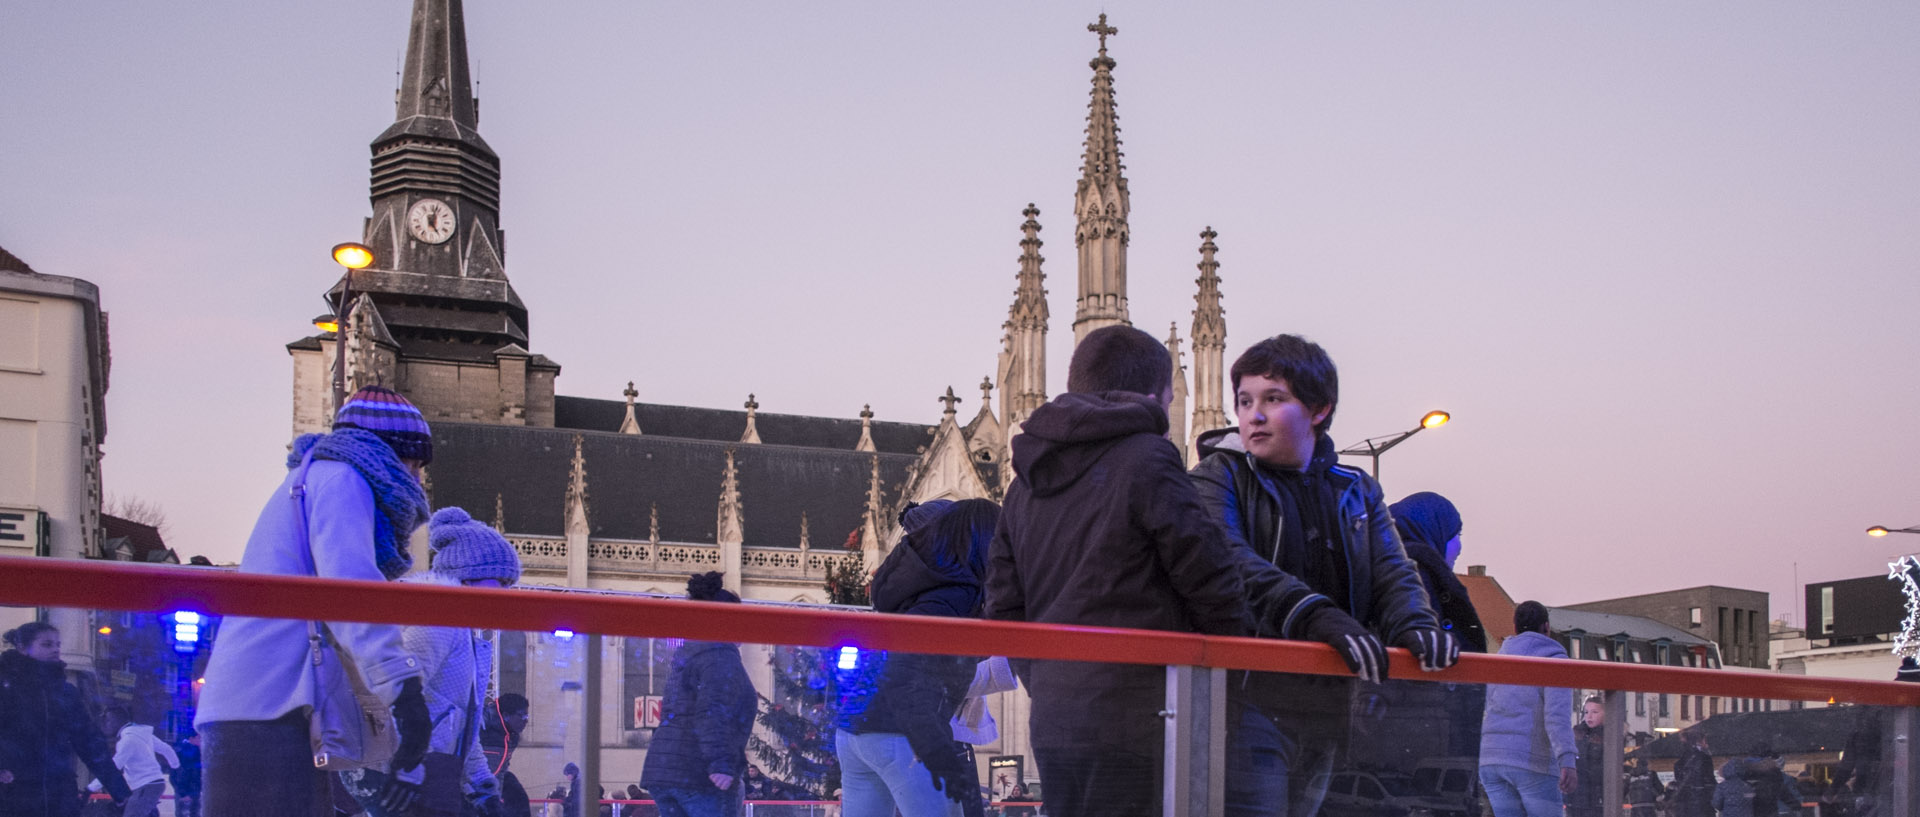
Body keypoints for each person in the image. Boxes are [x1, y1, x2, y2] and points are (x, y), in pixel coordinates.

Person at [984, 325, 1252, 817]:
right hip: (1140, 714)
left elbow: (1002, 605)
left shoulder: (1025, 481)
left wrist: (1049, 680)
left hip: (1056, 720)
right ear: (1154, 395)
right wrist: (1230, 676)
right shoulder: (1147, 458)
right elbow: (1211, 578)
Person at [1189, 334, 1457, 817]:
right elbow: (1228, 560)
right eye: (1245, 401)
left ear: (1318, 410)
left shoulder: (1356, 490)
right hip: (1247, 708)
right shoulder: (1219, 475)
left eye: (1274, 399)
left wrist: (1417, 625)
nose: (1254, 415)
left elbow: (1393, 572)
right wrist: (1315, 614)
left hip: (1329, 711)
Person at [195, 385, 434, 817]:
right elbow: (350, 591)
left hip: (260, 704)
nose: (416, 480)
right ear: (386, 451)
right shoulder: (344, 479)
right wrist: (404, 690)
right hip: (270, 707)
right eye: (413, 463)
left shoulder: (311, 477)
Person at [339, 507, 521, 817]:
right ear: (467, 578)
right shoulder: (439, 624)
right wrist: (405, 767)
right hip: (405, 771)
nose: (505, 592)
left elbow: (462, 727)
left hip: (426, 770)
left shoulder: (463, 633)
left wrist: (483, 789)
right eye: (499, 581)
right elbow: (391, 691)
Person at [836, 499, 998, 817]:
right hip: (901, 735)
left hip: (856, 727)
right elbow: (905, 668)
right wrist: (934, 746)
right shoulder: (955, 595)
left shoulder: (920, 584)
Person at [639, 572, 757, 817]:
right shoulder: (719, 656)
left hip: (666, 769)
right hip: (699, 776)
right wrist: (721, 763)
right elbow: (712, 710)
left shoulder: (690, 653)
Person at [0, 622, 132, 817]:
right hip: (15, 792)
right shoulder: (6, 688)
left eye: (58, 644)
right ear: (22, 648)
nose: (56, 650)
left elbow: (90, 743)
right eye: (47, 644)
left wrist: (120, 792)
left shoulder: (65, 692)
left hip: (58, 794)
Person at [1477, 601, 1577, 817]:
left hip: (1491, 758)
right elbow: (1556, 717)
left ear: (1515, 628)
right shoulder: (1554, 662)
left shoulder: (1499, 661)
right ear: (1546, 627)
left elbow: (1485, 706)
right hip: (1531, 761)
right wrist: (1567, 760)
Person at [1387, 491, 1486, 652]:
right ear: (1434, 530)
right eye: (1457, 534)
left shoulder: (1384, 570)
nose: (1460, 547)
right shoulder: (1418, 576)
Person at [92, 706, 179, 817]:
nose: (106, 725)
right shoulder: (141, 735)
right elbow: (166, 749)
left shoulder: (128, 740)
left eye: (109, 721)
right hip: (151, 784)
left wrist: (91, 788)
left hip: (146, 785)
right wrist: (176, 767)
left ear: (117, 721)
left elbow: (112, 769)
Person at [480, 694, 532, 817]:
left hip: (495, 777)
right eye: (522, 716)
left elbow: (502, 767)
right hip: (473, 780)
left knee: (518, 797)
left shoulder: (512, 736)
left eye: (527, 716)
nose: (526, 721)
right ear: (506, 715)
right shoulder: (482, 726)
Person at [1569, 696, 1605, 817]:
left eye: (1595, 712)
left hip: (1598, 796)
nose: (1589, 716)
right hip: (1577, 797)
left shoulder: (1608, 735)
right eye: (1586, 712)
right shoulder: (1577, 734)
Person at [1670, 729, 1714, 817]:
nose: (1707, 744)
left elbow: (1679, 780)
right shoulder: (1705, 759)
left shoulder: (1680, 761)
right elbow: (1710, 781)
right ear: (1699, 742)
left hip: (1685, 804)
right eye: (1705, 741)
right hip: (1702, 803)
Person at [169, 729, 202, 817]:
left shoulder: (198, 754)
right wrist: (184, 793)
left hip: (193, 792)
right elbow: (180, 774)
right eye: (199, 738)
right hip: (186, 793)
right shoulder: (185, 753)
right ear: (191, 739)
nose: (202, 741)